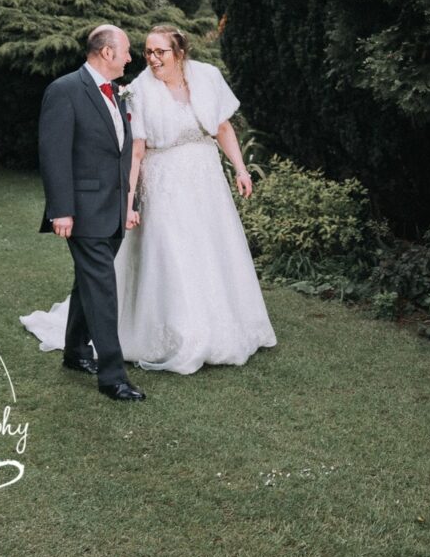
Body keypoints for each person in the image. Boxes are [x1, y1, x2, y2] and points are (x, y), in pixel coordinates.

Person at [21, 25, 277, 373]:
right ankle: (179, 336)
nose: (151, 59)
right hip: (164, 186)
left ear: (179, 52)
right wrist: (127, 203)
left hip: (207, 184)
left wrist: (241, 169)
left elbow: (222, 128)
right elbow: (135, 152)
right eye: (147, 52)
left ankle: (225, 325)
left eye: (160, 52)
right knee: (172, 256)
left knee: (213, 250)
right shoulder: (137, 90)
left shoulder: (207, 77)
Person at [30, 24, 146, 403]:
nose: (130, 58)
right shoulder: (64, 90)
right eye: (126, 51)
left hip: (112, 208)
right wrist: (62, 210)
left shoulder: (118, 93)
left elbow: (122, 152)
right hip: (82, 211)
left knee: (89, 282)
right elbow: (54, 153)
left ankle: (75, 351)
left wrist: (128, 202)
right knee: (103, 288)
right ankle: (113, 377)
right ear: (107, 53)